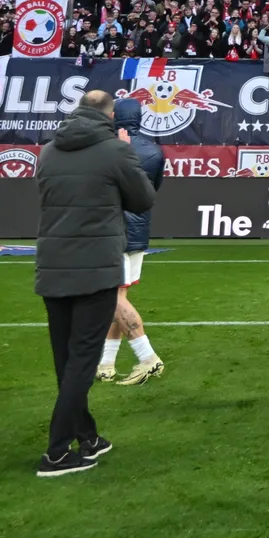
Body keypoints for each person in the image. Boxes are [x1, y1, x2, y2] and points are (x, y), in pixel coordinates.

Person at [33, 90, 156, 477]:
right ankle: (55, 452)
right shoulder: (115, 150)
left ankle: (87, 436)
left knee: (66, 360)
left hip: (53, 264)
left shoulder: (50, 150)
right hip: (96, 266)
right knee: (83, 361)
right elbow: (143, 199)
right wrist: (127, 155)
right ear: (111, 116)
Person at [99, 97, 166, 384]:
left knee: (112, 298)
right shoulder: (153, 150)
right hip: (138, 232)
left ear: (114, 117)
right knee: (119, 298)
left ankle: (148, 357)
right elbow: (152, 190)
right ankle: (105, 364)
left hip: (112, 230)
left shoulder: (108, 149)